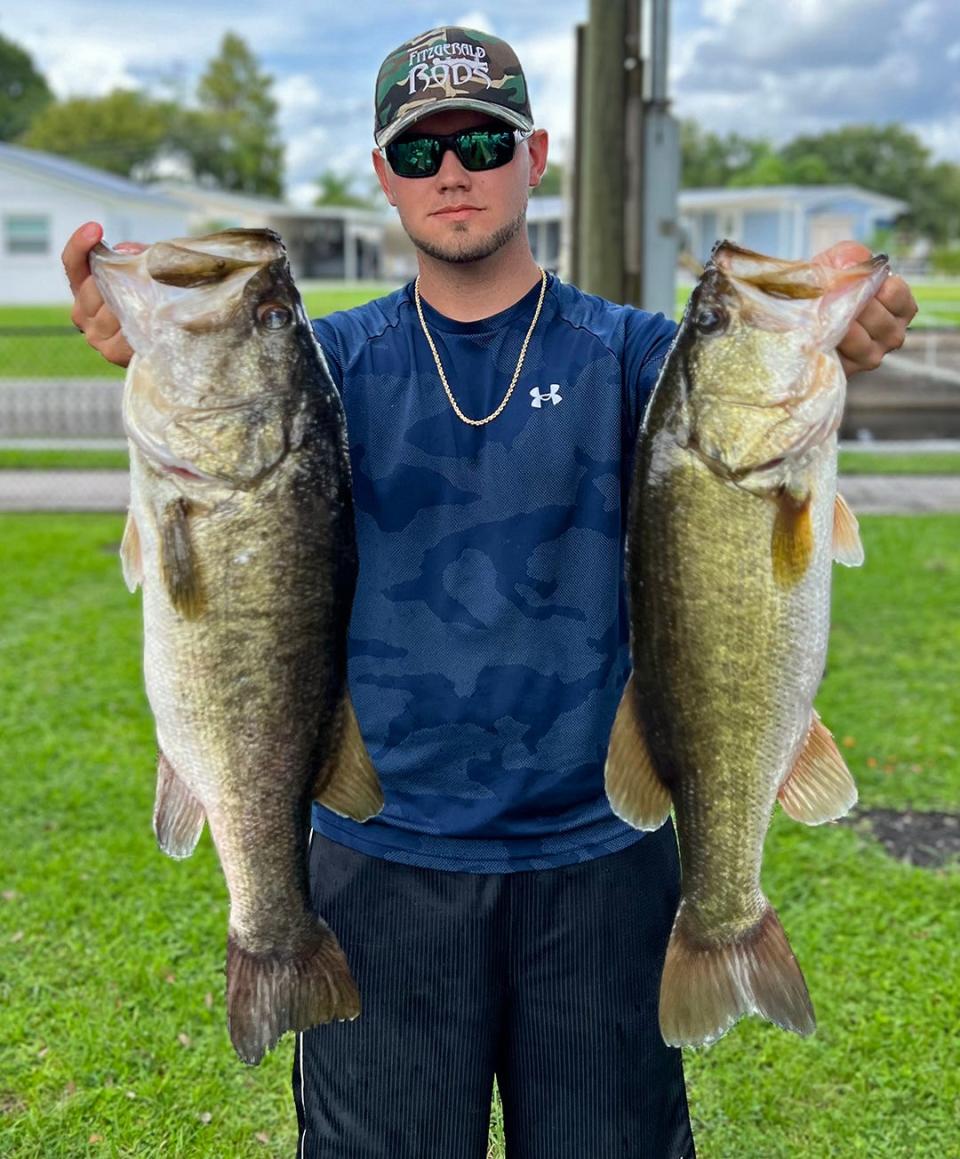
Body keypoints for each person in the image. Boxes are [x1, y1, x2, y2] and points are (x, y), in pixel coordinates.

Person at [62, 25, 917, 1159]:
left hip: (602, 858)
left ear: (536, 153)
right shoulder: (322, 365)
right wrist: (170, 350)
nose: (452, 169)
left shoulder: (637, 355)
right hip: (381, 862)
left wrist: (842, 309)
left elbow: (752, 395)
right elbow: (233, 449)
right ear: (384, 176)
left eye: (480, 139)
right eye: (420, 152)